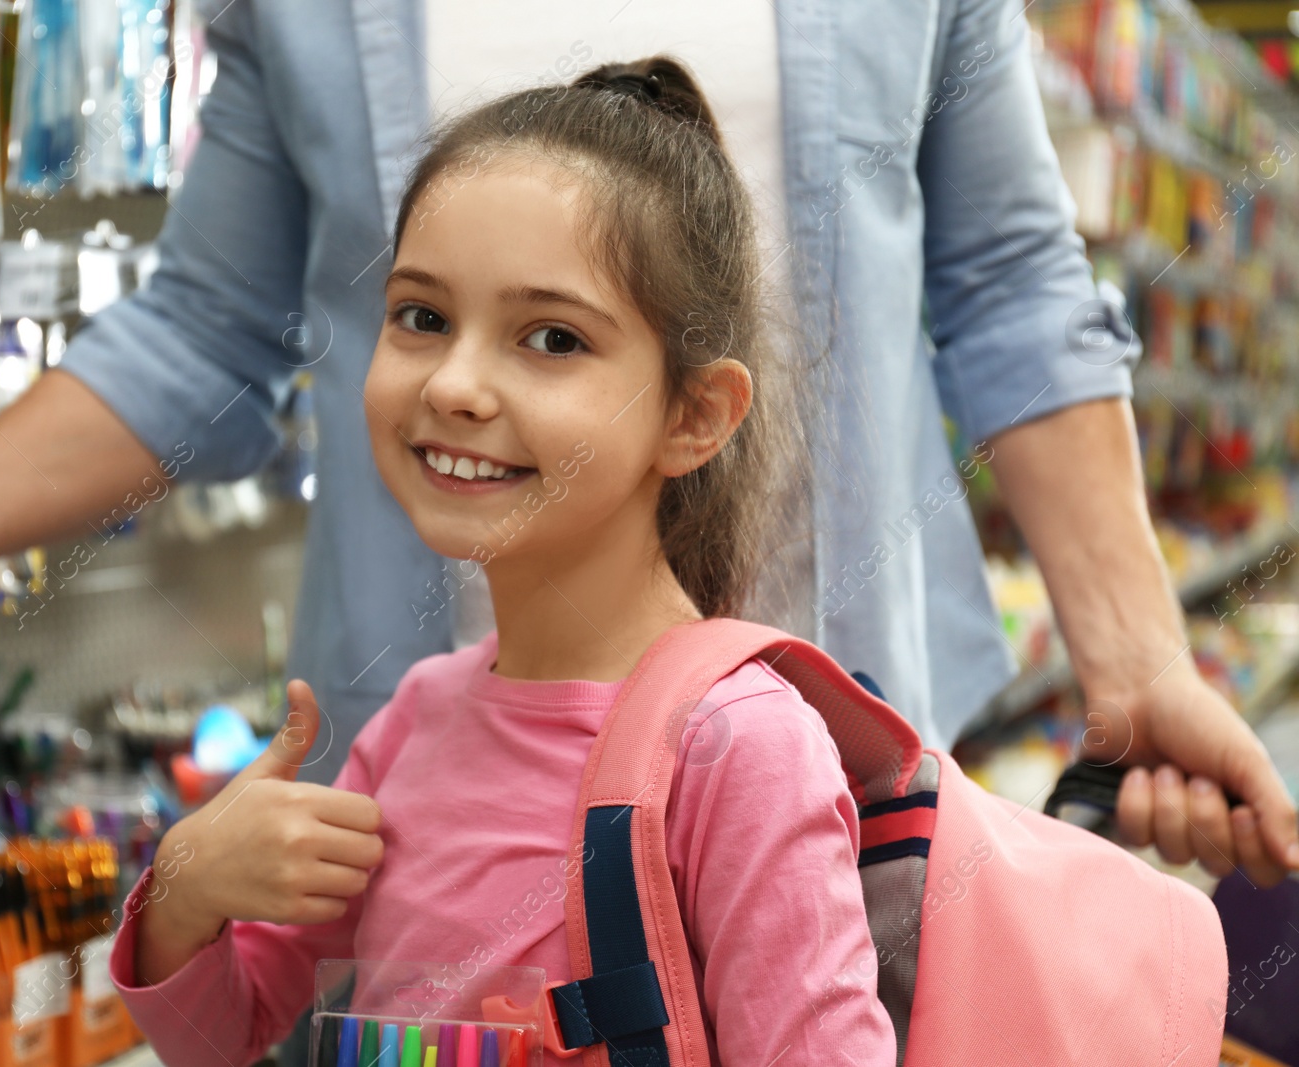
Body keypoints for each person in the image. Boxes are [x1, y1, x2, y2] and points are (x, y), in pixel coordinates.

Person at [0, 0, 1290, 889]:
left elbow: (1015, 283)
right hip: (427, 807)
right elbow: (201, 330)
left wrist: (1139, 655)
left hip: (838, 782)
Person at [116, 59, 897, 1066]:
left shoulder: (741, 749)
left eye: (551, 338)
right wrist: (189, 885)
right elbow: (227, 1030)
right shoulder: (415, 720)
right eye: (422, 316)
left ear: (694, 414)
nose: (455, 383)